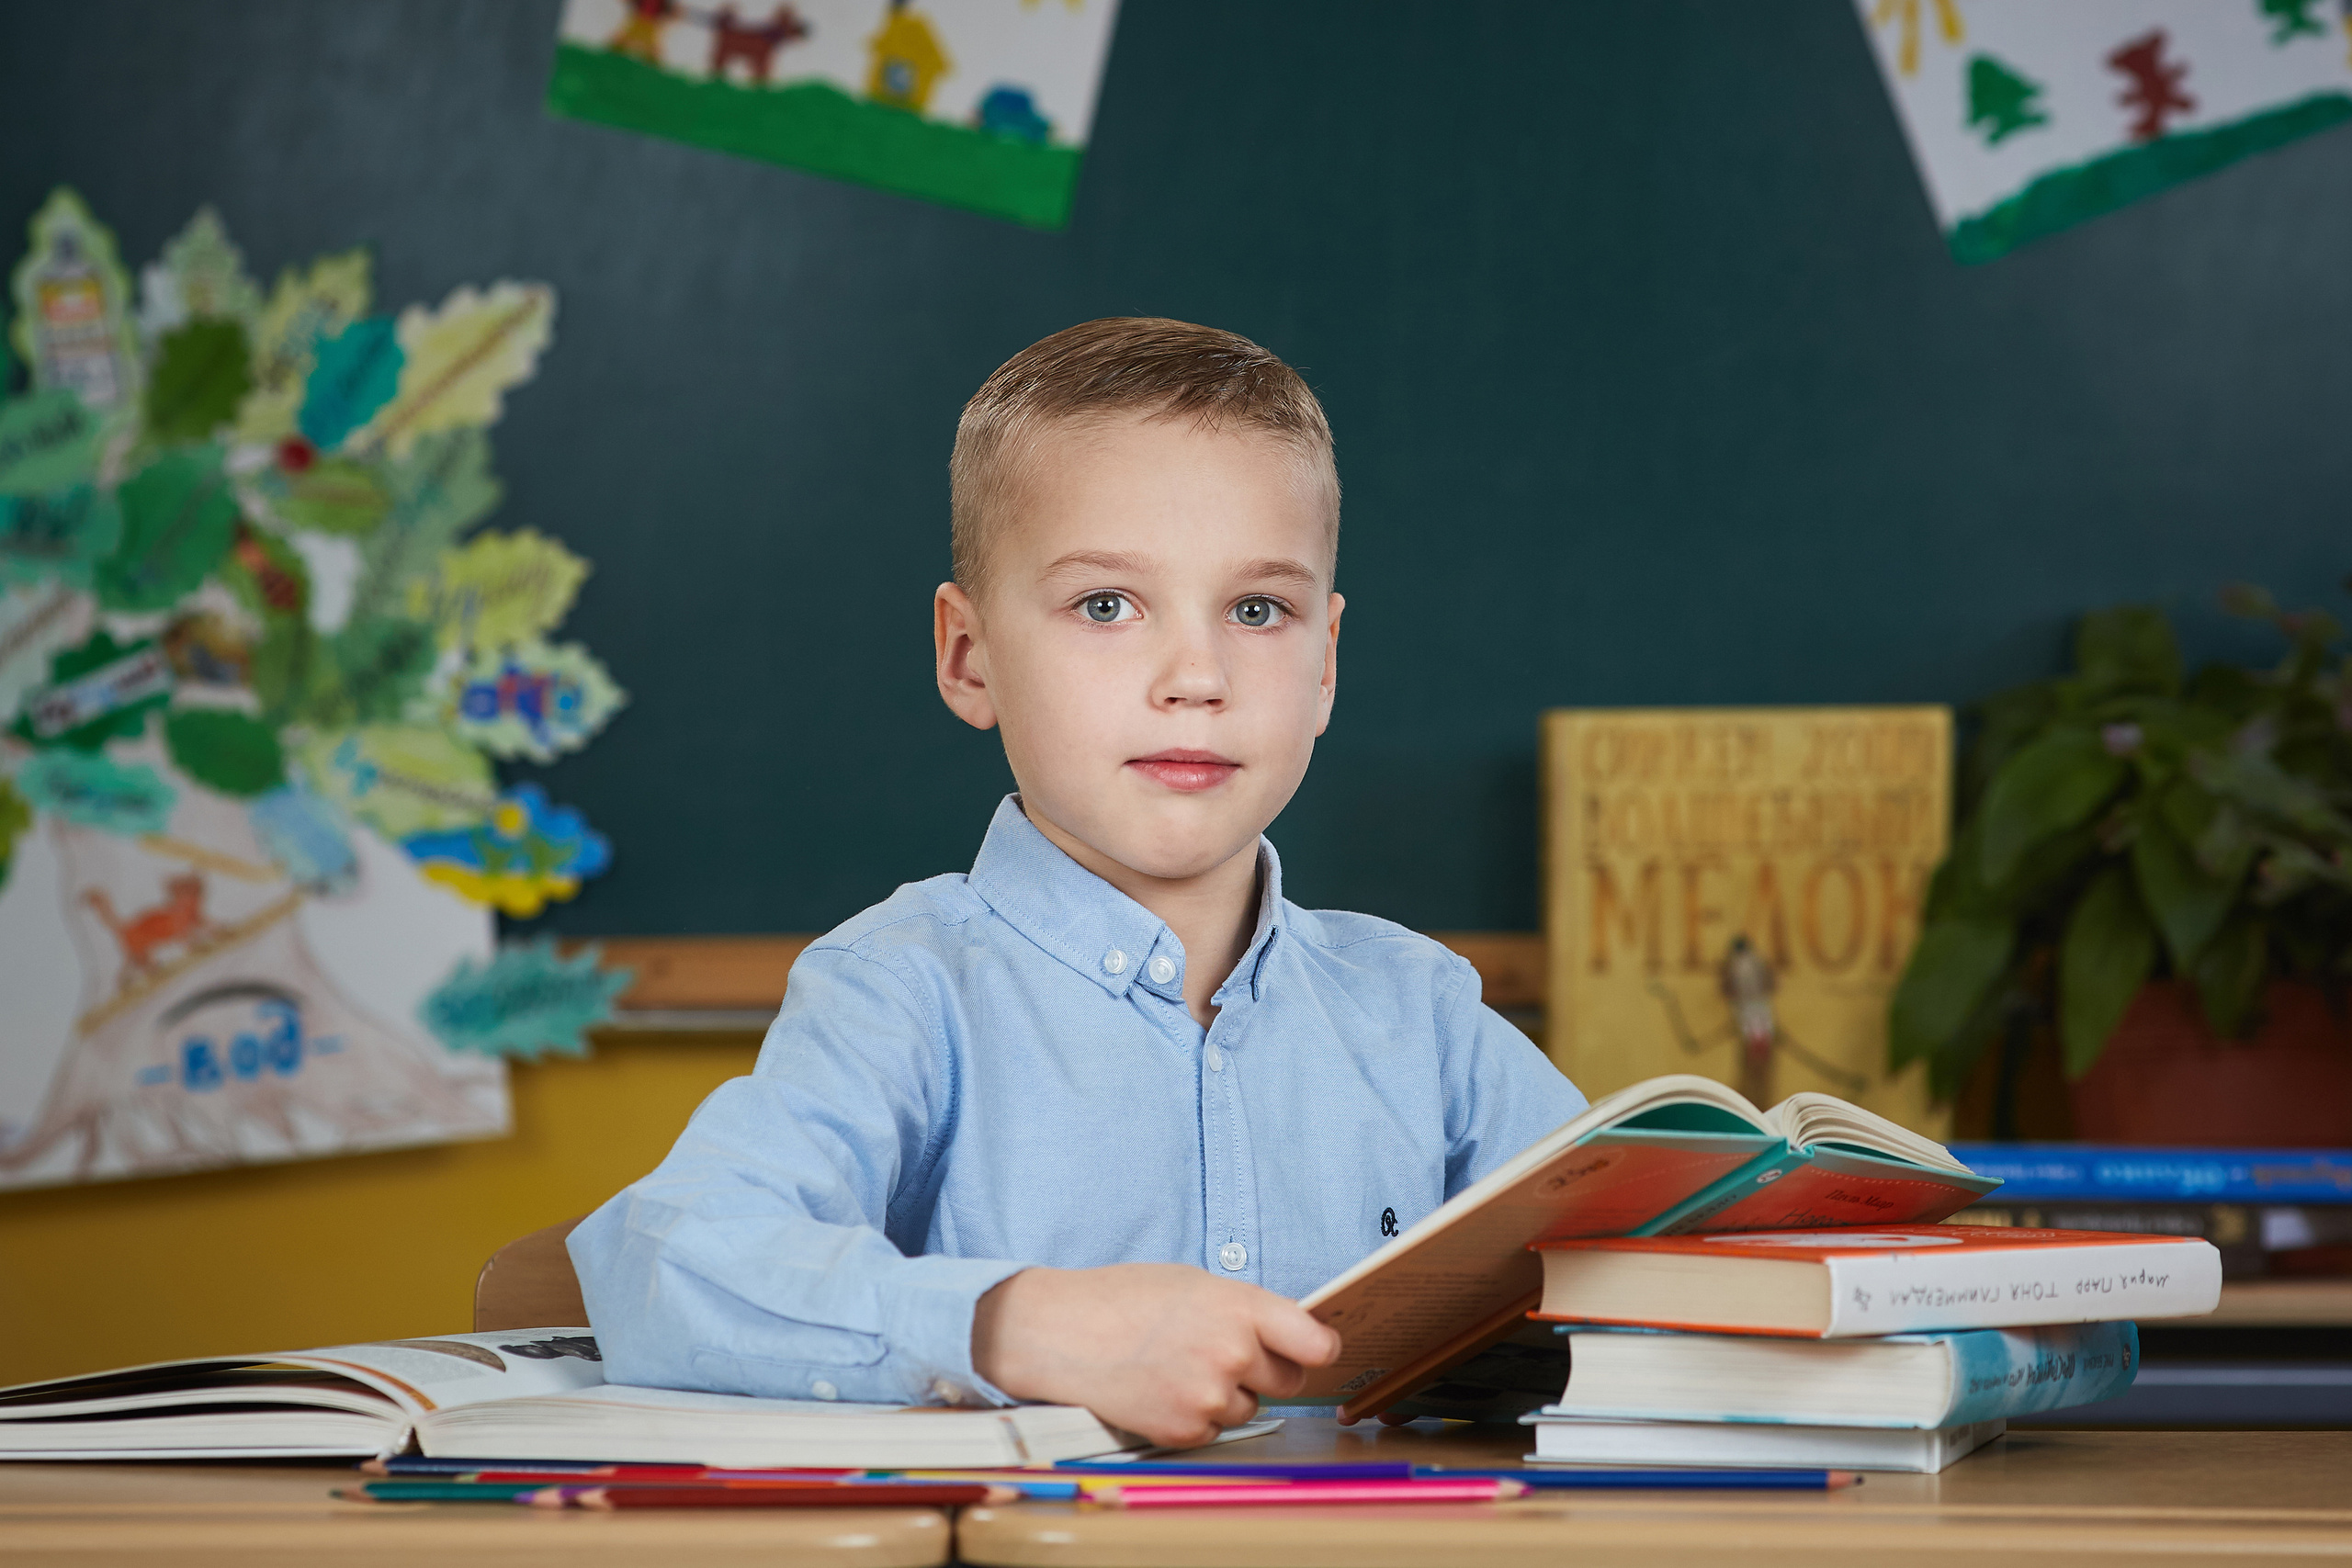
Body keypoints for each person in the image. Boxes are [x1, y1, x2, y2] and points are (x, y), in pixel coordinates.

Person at [569, 318, 1587, 1446]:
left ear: (1326, 663)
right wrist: (1018, 1324)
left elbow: (1632, 1260)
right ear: (970, 658)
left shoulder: (1418, 1011)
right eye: (1106, 605)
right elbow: (667, 1263)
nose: (1196, 676)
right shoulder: (905, 990)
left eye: (1258, 611)